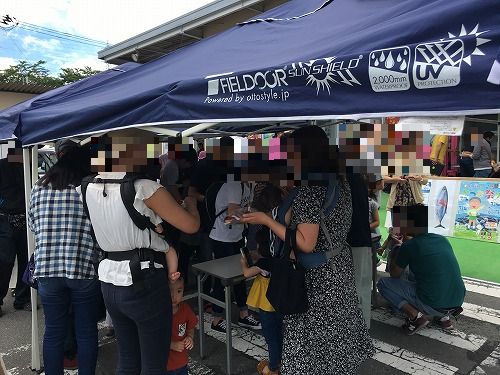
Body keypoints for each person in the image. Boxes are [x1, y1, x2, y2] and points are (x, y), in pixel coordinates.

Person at [241, 126, 374, 374]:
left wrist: (266, 220)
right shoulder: (337, 179)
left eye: (290, 152)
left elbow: (304, 242)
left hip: (317, 278)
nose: (287, 158)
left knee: (312, 344)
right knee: (335, 338)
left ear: (304, 153)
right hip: (338, 267)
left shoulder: (312, 189)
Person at [80, 129, 199, 374]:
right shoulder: (143, 187)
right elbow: (191, 225)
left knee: (128, 359)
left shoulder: (87, 186)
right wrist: (192, 205)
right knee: (153, 364)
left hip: (109, 280)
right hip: (144, 281)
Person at [28, 141, 99, 375]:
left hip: (48, 269)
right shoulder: (88, 189)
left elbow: (33, 225)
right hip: (83, 267)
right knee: (86, 331)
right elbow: (98, 230)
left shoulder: (38, 188)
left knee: (54, 331)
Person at [377, 205, 466, 335]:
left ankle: (416, 317)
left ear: (408, 224)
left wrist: (397, 249)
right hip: (457, 300)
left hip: (434, 303)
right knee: (428, 274)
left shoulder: (409, 246)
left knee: (383, 284)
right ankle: (443, 317)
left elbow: (395, 274)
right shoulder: (441, 239)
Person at [241, 183, 284, 375]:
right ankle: (284, 363)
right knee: (283, 334)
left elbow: (246, 274)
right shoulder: (283, 245)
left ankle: (273, 368)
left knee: (271, 337)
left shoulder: (264, 260)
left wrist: (245, 261)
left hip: (267, 300)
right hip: (283, 296)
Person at [209, 180, 261, 332]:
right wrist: (254, 216)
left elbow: (247, 209)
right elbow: (232, 213)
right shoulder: (233, 184)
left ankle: (243, 314)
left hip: (236, 237)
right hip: (221, 238)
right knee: (221, 278)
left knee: (240, 275)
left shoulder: (249, 185)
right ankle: (217, 318)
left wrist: (251, 213)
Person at [0, 142, 30, 317]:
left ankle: (23, 298)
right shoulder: (2, 165)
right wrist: (3, 205)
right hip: (5, 219)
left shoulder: (29, 166)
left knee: (25, 259)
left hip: (24, 218)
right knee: (5, 261)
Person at [166, 277, 197, 375]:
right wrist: (171, 345)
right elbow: (153, 338)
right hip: (165, 365)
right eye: (169, 290)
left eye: (179, 291)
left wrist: (190, 337)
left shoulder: (185, 309)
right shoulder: (159, 313)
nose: (174, 296)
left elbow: (190, 327)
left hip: (182, 362)